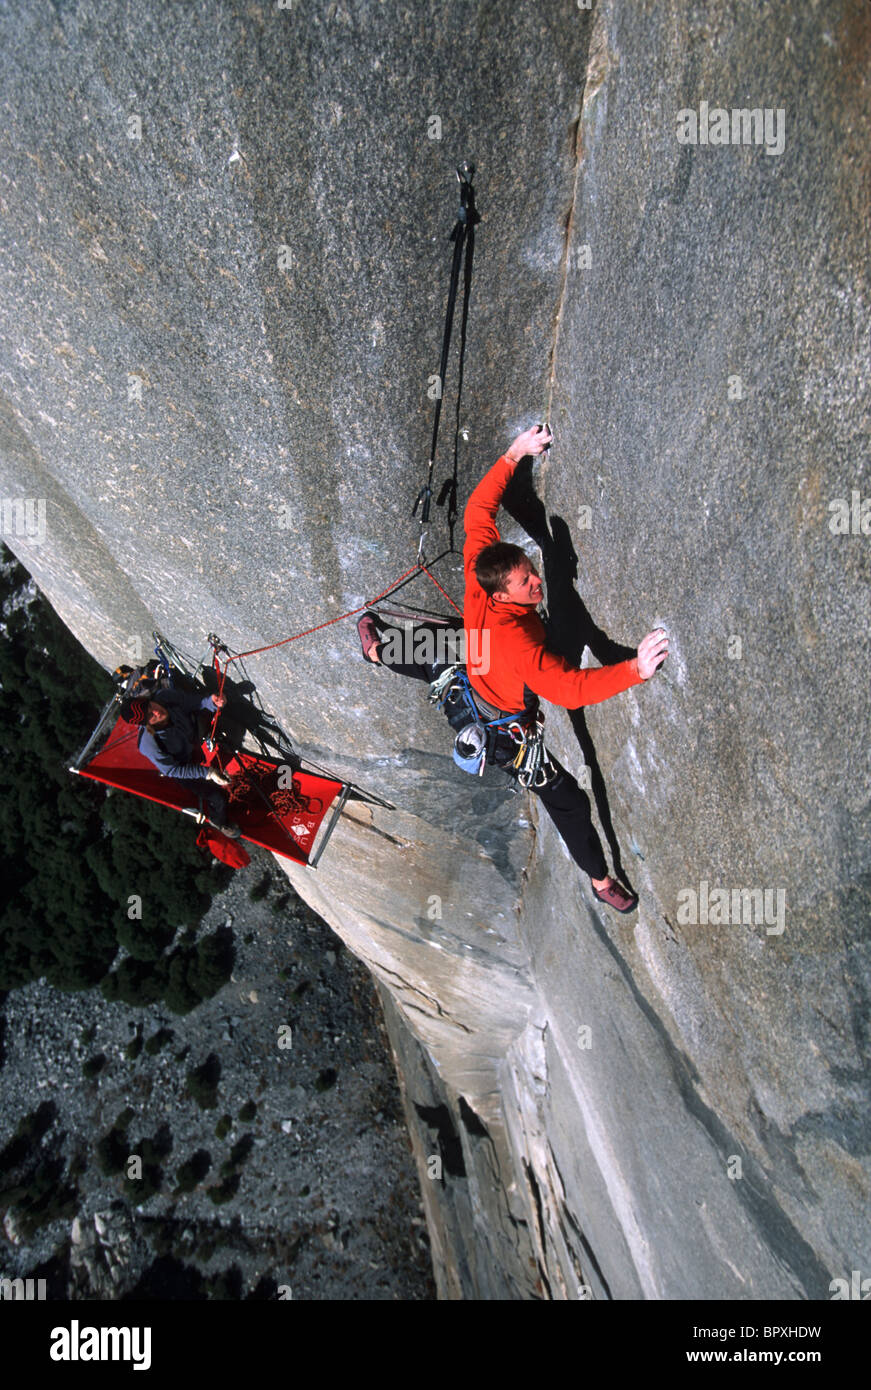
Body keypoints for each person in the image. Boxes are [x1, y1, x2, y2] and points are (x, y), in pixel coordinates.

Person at [357, 423, 669, 912]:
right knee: (569, 801)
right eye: (527, 583)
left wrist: (516, 452)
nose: (537, 583)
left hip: (475, 660)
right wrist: (637, 670)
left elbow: (479, 509)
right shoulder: (523, 642)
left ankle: (376, 651)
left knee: (437, 650)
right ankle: (600, 880)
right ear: (502, 593)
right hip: (505, 726)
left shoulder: (482, 562)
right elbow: (571, 691)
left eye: (531, 570)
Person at [120, 688, 242, 838]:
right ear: (146, 724)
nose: (157, 712)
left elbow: (194, 703)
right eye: (150, 715)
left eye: (151, 706)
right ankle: (219, 822)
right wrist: (207, 773)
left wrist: (212, 702)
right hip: (182, 767)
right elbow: (173, 770)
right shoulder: (149, 744)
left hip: (193, 740)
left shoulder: (165, 697)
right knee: (217, 798)